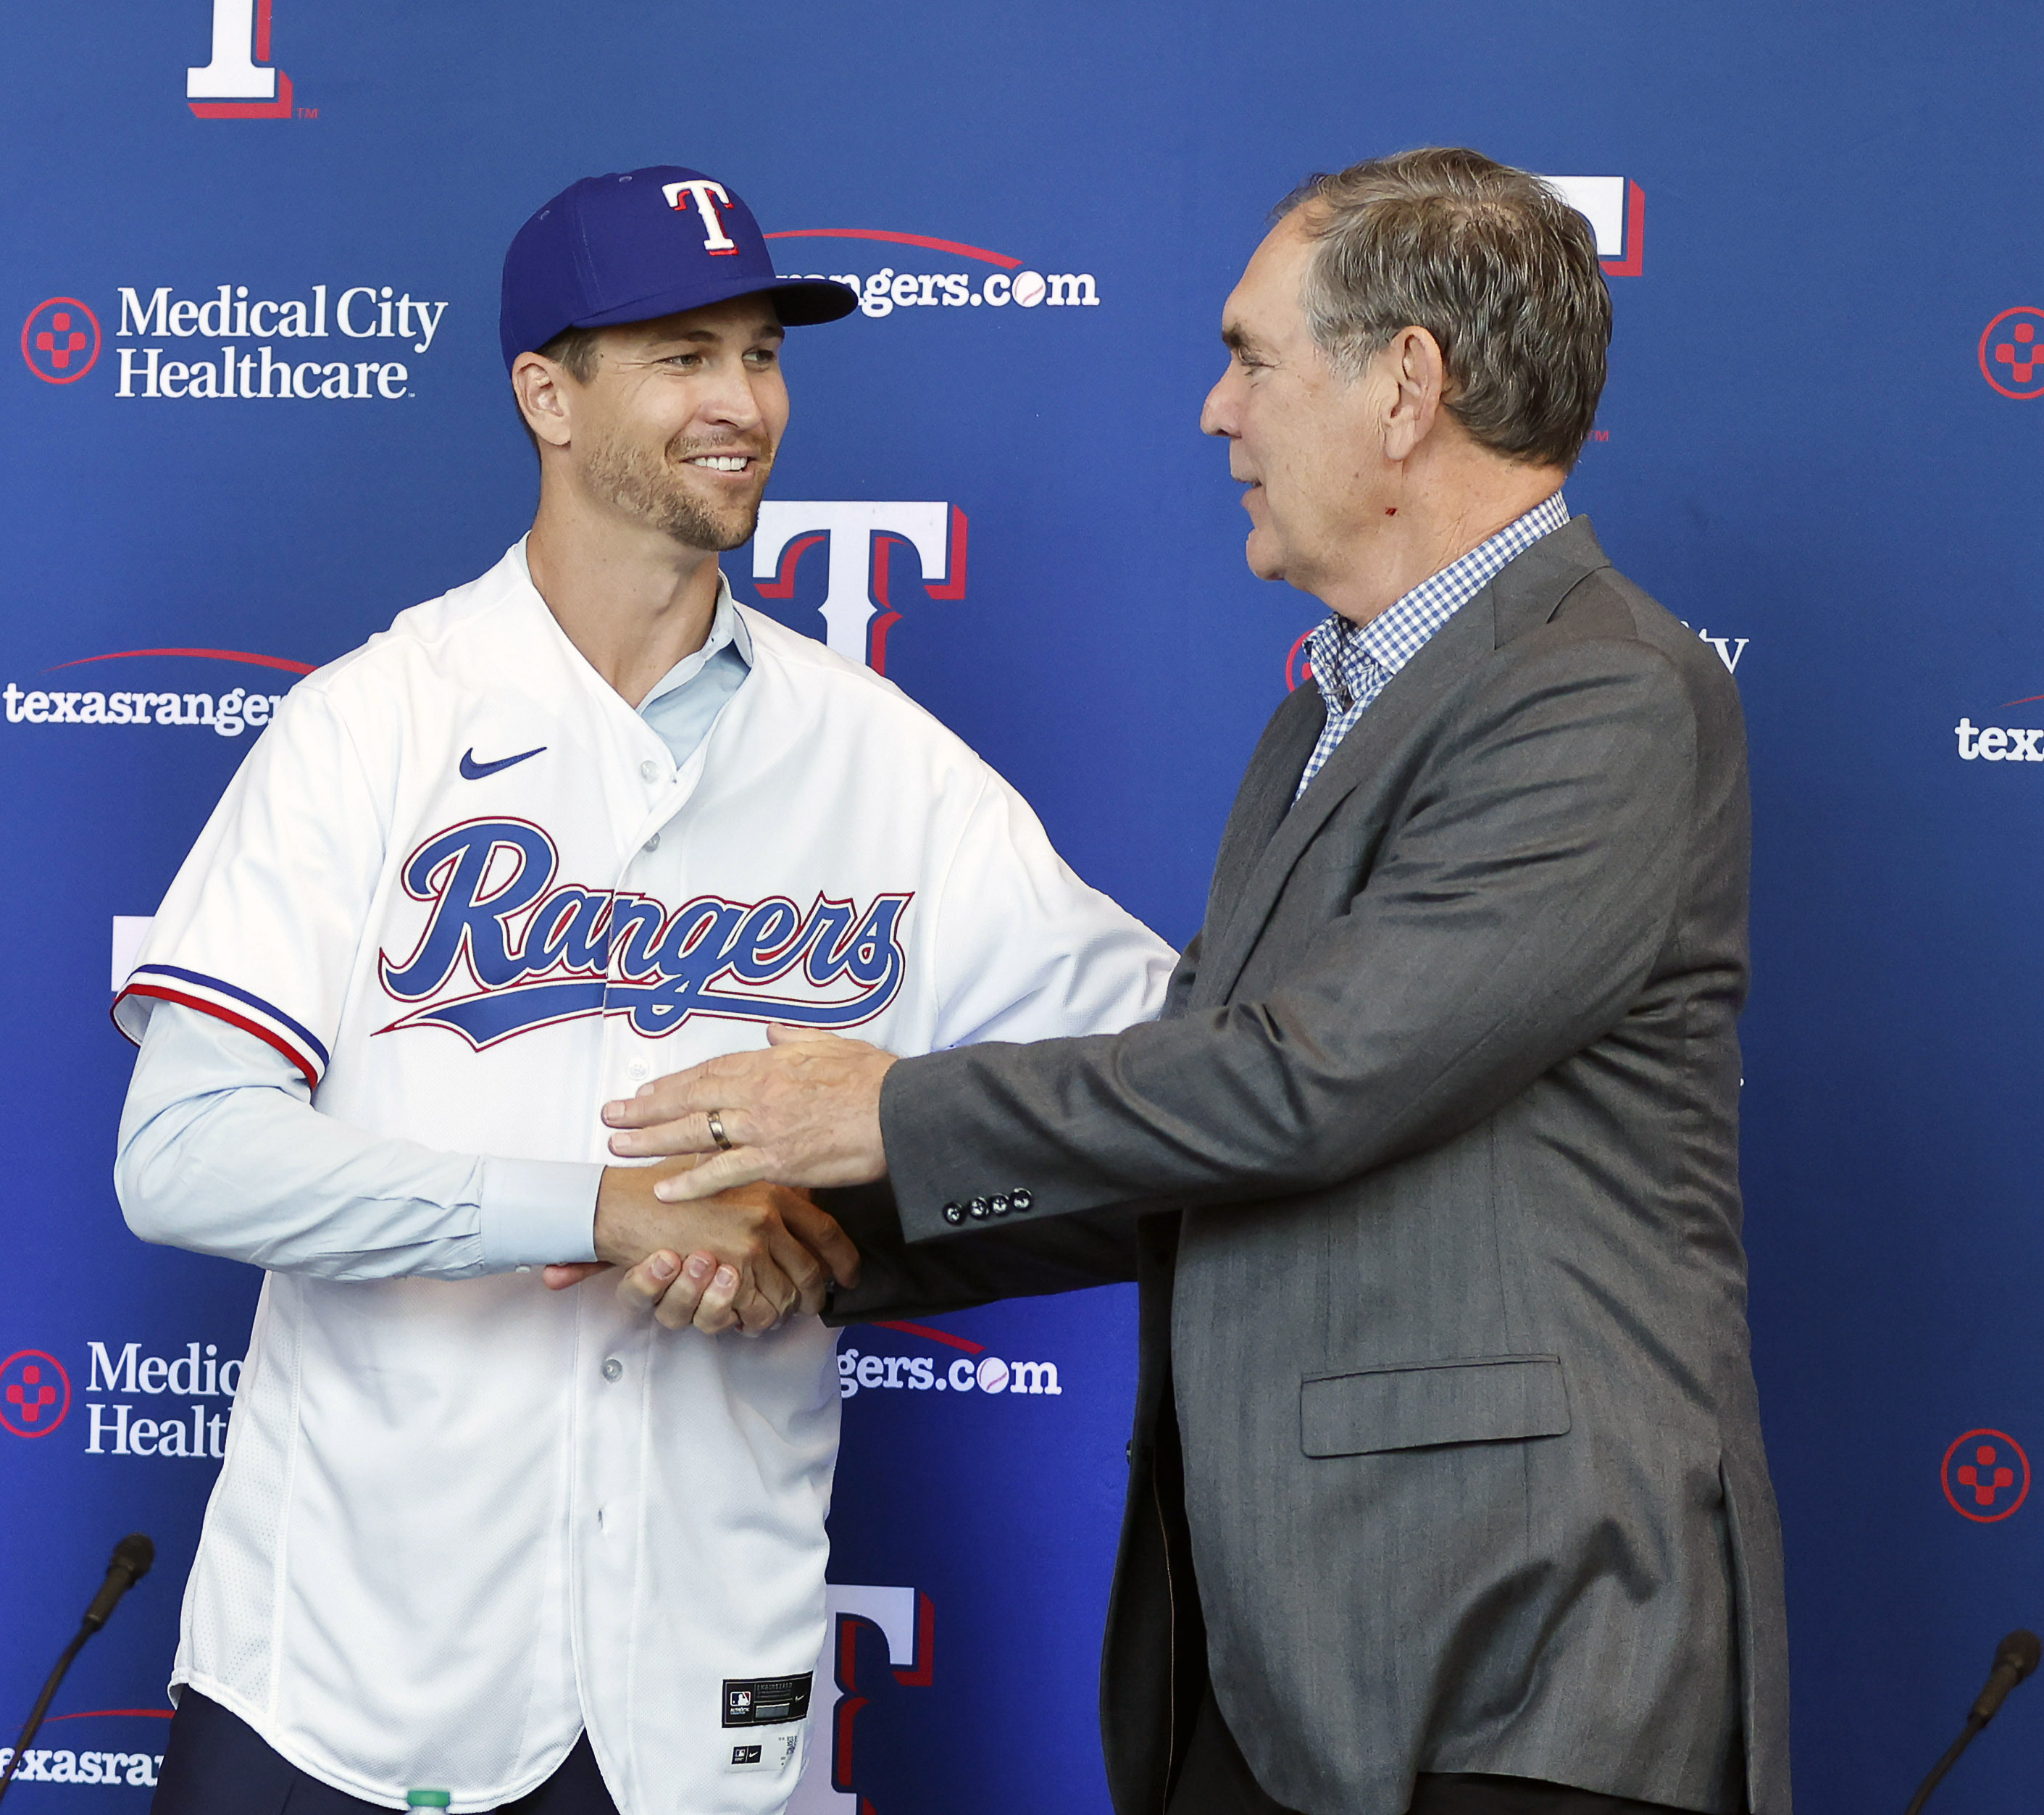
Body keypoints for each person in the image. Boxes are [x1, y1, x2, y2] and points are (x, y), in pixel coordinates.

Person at [608, 149, 1786, 1815]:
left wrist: (881, 1107)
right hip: (1285, 1652)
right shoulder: (1327, 711)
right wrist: (826, 1243)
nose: (1212, 414)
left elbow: (1316, 1078)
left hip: (1515, 1652)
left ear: (1403, 387)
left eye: (1248, 355)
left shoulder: (1595, 693)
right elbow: (1217, 1136)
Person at [109, 165, 1173, 1815]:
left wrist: (852, 1210)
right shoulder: (369, 722)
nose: (741, 402)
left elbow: (1166, 1088)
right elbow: (184, 1150)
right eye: (681, 353)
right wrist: (591, 1209)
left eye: (760, 353)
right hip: (341, 1667)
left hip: (699, 1688)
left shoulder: (887, 764)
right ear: (545, 391)